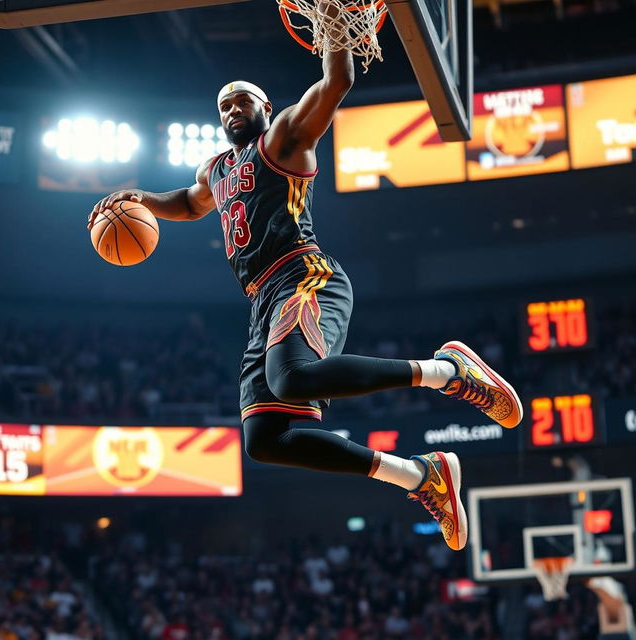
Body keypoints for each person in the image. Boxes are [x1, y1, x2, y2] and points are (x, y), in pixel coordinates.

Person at [88, 40, 522, 552]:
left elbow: (336, 84)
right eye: (223, 106)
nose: (231, 110)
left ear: (264, 108)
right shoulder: (216, 170)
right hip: (262, 299)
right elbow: (187, 202)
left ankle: (449, 372)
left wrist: (337, 34)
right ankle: (419, 476)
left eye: (241, 101)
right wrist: (142, 200)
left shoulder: (285, 137)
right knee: (266, 441)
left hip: (304, 274)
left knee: (291, 378)